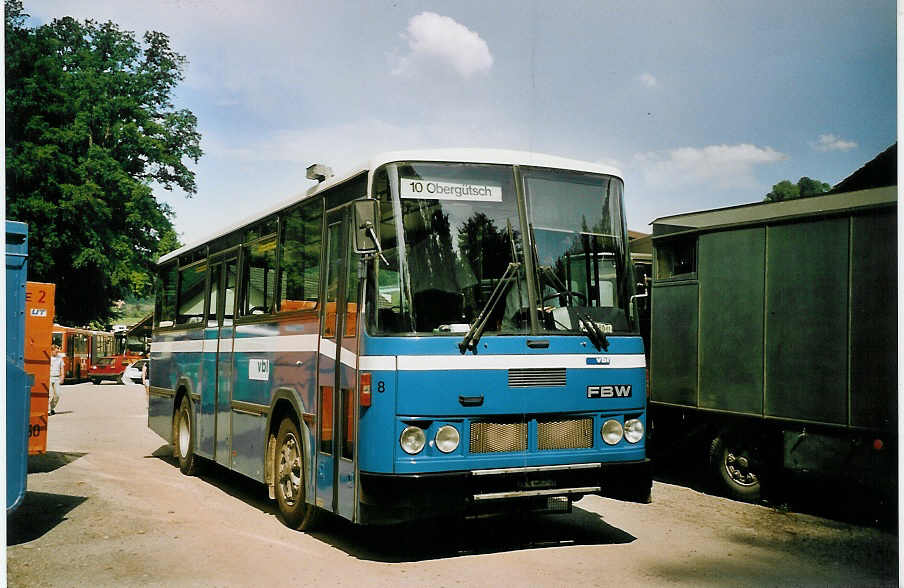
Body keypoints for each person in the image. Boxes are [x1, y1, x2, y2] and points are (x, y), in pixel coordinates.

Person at [49, 344, 64, 415]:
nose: (57, 353)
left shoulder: (60, 358)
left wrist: (62, 377)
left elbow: (62, 368)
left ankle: (52, 407)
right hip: (49, 377)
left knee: (57, 395)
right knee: (49, 394)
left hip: (56, 377)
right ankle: (48, 410)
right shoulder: (48, 358)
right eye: (56, 351)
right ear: (52, 351)